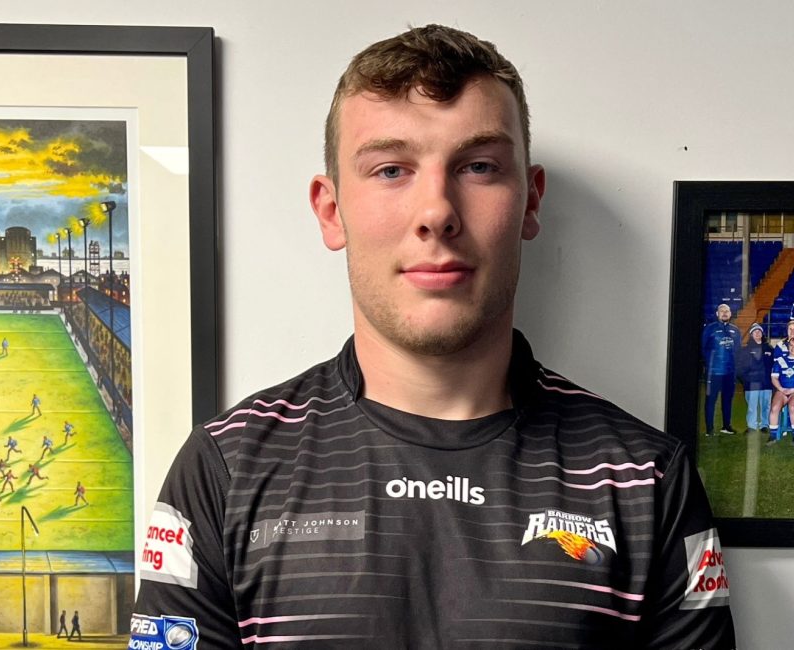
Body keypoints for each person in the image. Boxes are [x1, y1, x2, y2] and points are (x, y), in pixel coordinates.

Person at [132, 25, 734, 649]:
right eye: (391, 169)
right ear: (332, 211)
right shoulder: (226, 469)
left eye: (478, 167)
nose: (436, 212)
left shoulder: (646, 479)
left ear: (530, 202)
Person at [701, 303, 742, 435]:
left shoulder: (735, 330)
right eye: (722, 311)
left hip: (729, 373)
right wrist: (710, 363)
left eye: (727, 311)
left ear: (730, 314)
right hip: (713, 373)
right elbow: (702, 348)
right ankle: (709, 429)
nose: (724, 313)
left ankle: (726, 426)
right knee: (711, 401)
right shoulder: (710, 329)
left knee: (727, 400)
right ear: (717, 314)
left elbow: (738, 351)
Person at [768, 338, 794, 444]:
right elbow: (774, 378)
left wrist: (793, 389)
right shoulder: (780, 360)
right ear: (787, 347)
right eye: (791, 345)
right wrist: (781, 389)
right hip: (782, 390)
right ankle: (773, 435)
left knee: (792, 406)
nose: (793, 348)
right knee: (774, 407)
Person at [736, 323, 773, 435]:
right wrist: (747, 380)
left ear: (762, 333)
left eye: (759, 331)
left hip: (766, 383)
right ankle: (752, 426)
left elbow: (774, 366)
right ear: (751, 334)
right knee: (752, 406)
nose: (757, 333)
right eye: (754, 331)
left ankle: (764, 425)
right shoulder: (745, 350)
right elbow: (740, 368)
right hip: (752, 384)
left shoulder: (769, 349)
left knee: (766, 405)